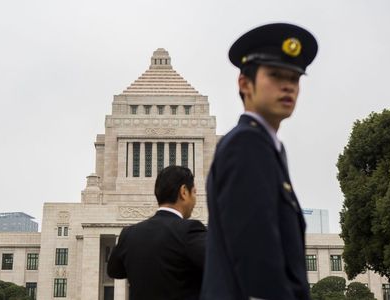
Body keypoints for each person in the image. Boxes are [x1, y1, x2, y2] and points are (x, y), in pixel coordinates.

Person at [201, 23, 318, 300]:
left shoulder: (265, 146)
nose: (288, 85)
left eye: (295, 77)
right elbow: (256, 259)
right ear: (244, 83)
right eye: (276, 75)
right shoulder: (246, 145)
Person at [107, 165, 206, 300]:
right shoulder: (190, 230)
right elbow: (221, 266)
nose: (195, 199)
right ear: (183, 192)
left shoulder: (129, 234)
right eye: (194, 192)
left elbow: (114, 271)